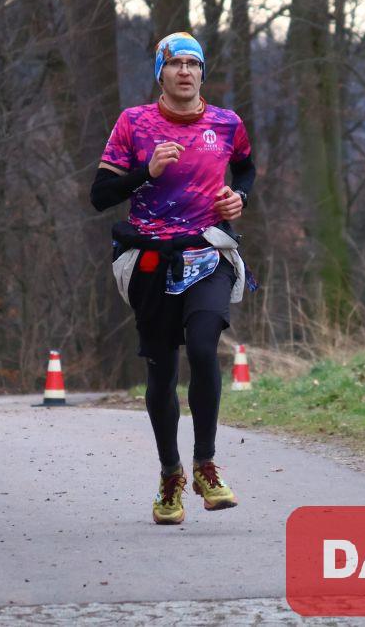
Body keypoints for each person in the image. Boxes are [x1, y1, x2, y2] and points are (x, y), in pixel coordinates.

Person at [90, 32, 257, 525]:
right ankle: (170, 475)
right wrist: (146, 171)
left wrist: (239, 198)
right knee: (162, 372)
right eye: (175, 63)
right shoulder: (134, 123)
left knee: (204, 347)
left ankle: (205, 466)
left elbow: (246, 169)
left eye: (193, 63)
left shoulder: (227, 123)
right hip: (151, 261)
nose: (185, 71)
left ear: (202, 72)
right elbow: (100, 195)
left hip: (208, 252)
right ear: (160, 73)